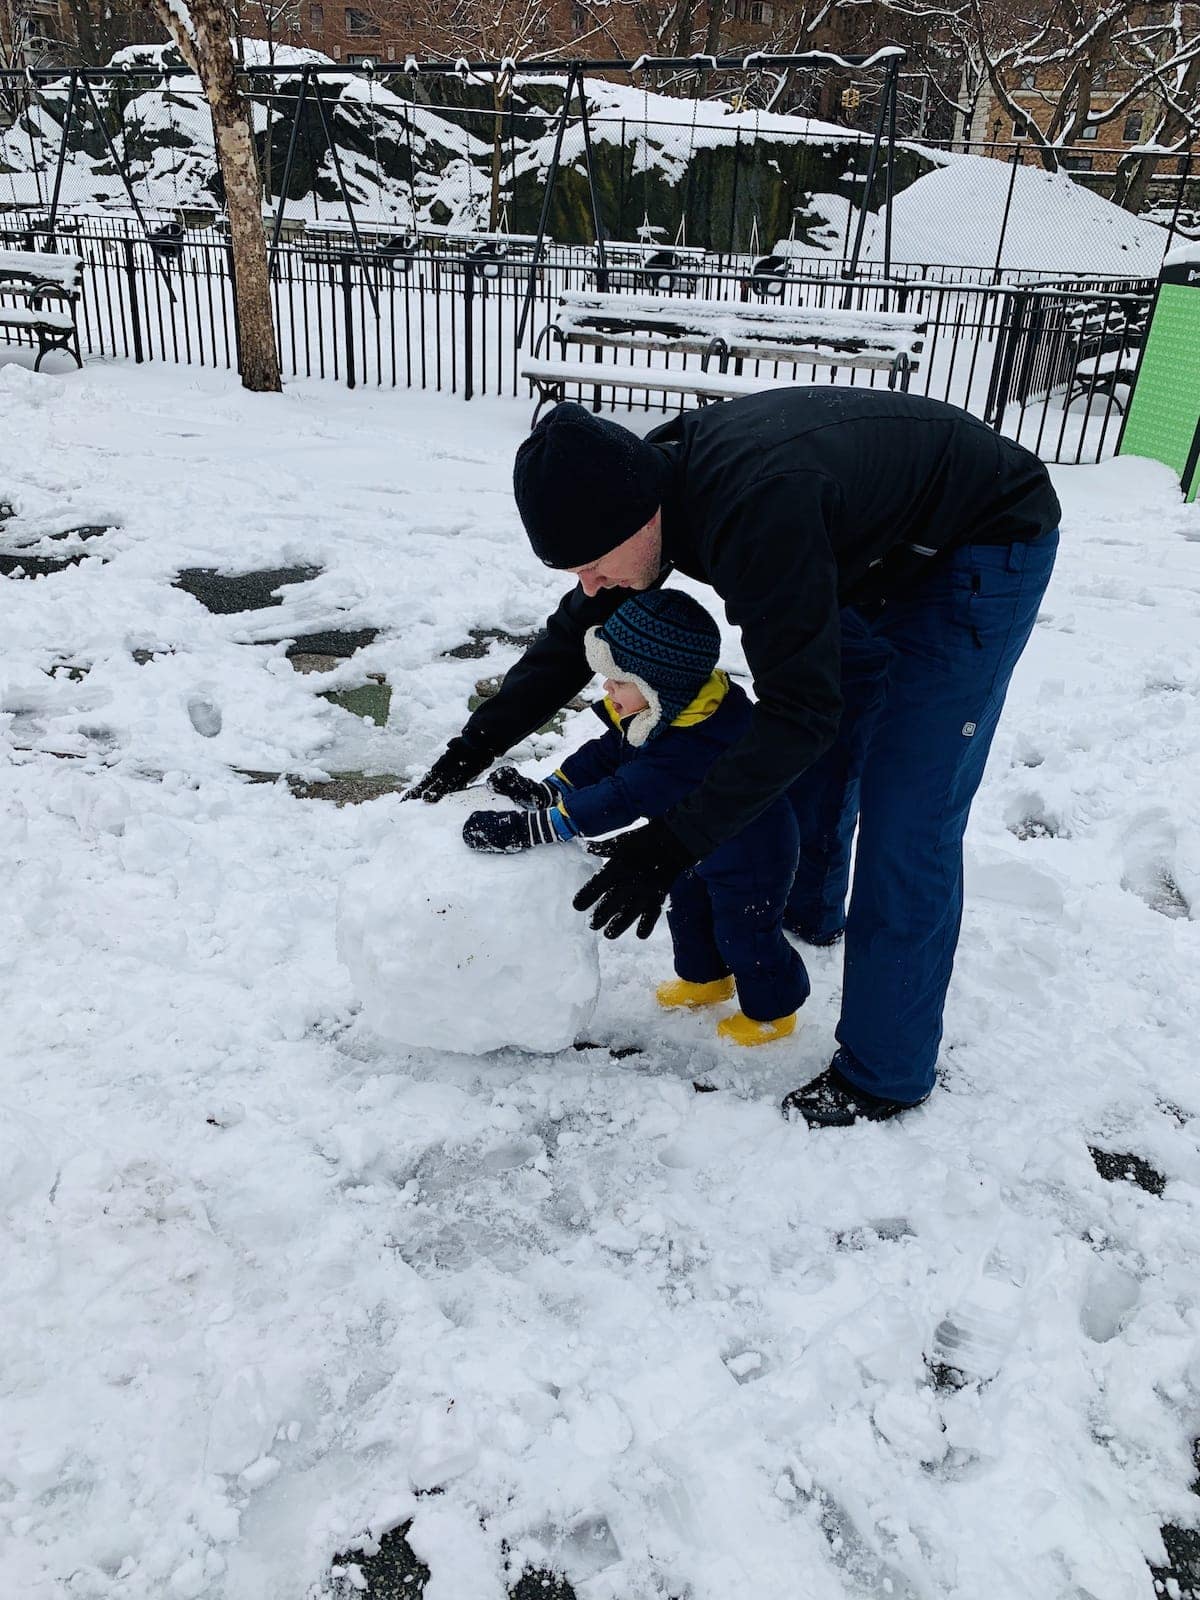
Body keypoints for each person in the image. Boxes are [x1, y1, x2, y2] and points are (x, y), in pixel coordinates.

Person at [407, 389, 1061, 1128]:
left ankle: (887, 1070)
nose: (587, 582)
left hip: (978, 544)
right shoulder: (637, 487)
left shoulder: (756, 513)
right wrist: (476, 744)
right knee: (817, 750)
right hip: (863, 544)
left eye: (591, 561)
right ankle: (806, 910)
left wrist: (671, 844)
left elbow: (796, 713)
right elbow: (579, 631)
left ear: (639, 516)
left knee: (907, 819)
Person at [460, 589, 809, 1045]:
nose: (606, 689)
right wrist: (551, 789)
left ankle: (773, 1009)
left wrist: (535, 828)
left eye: (618, 680)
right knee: (687, 912)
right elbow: (607, 756)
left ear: (659, 684)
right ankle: (706, 981)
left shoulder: (695, 742)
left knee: (746, 934)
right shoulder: (665, 712)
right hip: (688, 843)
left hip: (752, 855)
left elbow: (621, 796)